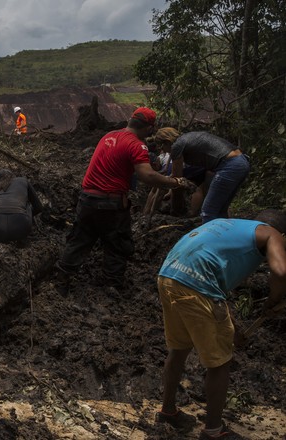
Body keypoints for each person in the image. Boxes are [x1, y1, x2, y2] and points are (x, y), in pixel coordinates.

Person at [156, 210, 286, 439]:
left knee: (179, 349)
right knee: (219, 364)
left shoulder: (228, 226)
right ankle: (214, 431)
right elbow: (281, 271)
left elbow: (215, 293)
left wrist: (233, 329)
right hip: (197, 284)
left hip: (169, 276)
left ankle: (167, 412)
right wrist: (274, 300)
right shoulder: (271, 233)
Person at [55, 107, 190, 289]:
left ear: (130, 121)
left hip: (87, 199)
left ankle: (62, 277)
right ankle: (112, 286)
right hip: (110, 202)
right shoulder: (136, 144)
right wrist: (175, 182)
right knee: (117, 243)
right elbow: (147, 176)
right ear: (149, 128)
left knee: (80, 239)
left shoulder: (109, 136)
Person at [155, 128, 250, 224]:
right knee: (220, 210)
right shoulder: (188, 137)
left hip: (229, 165)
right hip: (241, 161)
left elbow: (177, 177)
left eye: (161, 145)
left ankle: (209, 238)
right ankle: (226, 236)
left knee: (208, 212)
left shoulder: (176, 146)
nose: (161, 149)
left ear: (167, 141)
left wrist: (165, 184)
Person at [0, 169, 43, 244]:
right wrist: (27, 215)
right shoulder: (23, 181)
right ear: (12, 176)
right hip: (20, 228)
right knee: (27, 204)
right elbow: (39, 207)